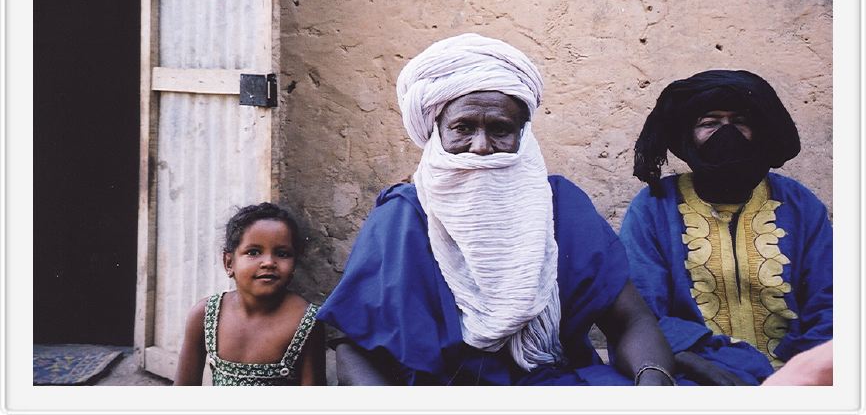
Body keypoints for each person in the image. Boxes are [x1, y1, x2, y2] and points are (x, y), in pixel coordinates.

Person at [317, 33, 676, 385]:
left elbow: (630, 319)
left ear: (522, 135)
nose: (481, 147)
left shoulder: (562, 207)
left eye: (500, 129)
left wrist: (652, 384)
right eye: (463, 128)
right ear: (436, 132)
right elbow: (353, 347)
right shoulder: (402, 217)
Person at [620, 69, 832, 385]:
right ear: (686, 137)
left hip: (799, 376)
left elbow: (831, 302)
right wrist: (701, 361)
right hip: (696, 373)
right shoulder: (653, 207)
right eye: (709, 124)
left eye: (739, 122)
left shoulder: (800, 205)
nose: (726, 134)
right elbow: (643, 314)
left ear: (758, 131)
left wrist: (804, 370)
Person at [174, 202, 326, 385]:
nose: (269, 262)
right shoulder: (205, 315)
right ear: (229, 263)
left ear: (294, 263)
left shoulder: (306, 321)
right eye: (253, 252)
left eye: (282, 253)